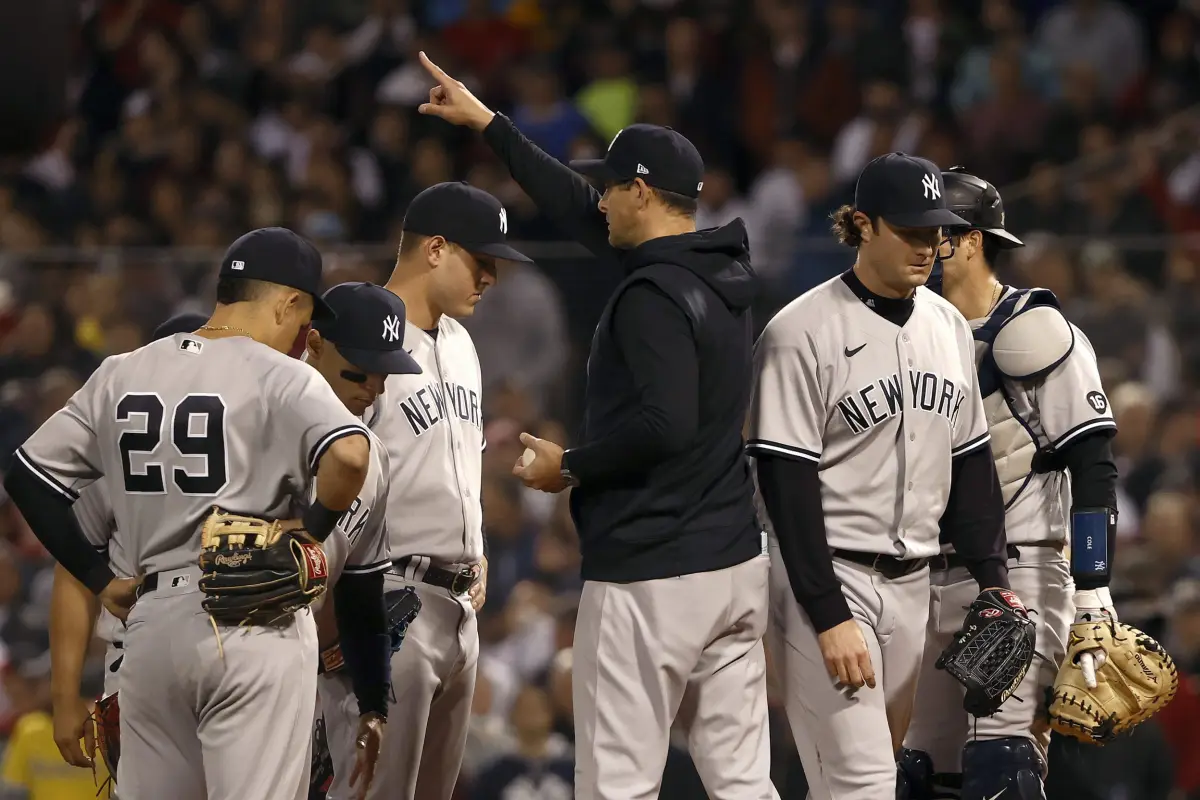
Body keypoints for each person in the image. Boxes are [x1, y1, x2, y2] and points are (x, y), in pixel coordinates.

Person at [416, 53, 777, 800]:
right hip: (732, 561)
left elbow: (662, 422)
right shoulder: (717, 274)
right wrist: (491, 124)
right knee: (742, 781)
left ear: (641, 191)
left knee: (616, 783)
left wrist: (570, 466)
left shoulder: (651, 295)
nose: (599, 201)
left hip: (654, 569)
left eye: (611, 187)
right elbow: (580, 211)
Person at [2, 227, 379, 800]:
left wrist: (100, 579)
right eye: (303, 315)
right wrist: (314, 532)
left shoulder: (121, 372)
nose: (303, 333)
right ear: (287, 302)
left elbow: (26, 475)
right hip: (254, 622)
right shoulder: (282, 375)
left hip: (150, 632)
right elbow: (351, 455)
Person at [747, 152, 1022, 800]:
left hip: (915, 587)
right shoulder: (800, 331)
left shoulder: (949, 326)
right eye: (912, 230)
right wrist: (827, 611)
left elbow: (971, 464)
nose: (930, 246)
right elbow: (786, 487)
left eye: (937, 232)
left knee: (863, 783)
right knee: (862, 787)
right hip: (829, 577)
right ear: (863, 225)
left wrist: (996, 580)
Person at [899, 168, 1119, 800]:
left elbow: (1093, 461)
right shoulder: (911, 331)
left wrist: (1094, 588)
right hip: (926, 575)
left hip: (1019, 573)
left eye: (936, 232)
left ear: (971, 240)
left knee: (1002, 768)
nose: (924, 244)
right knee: (915, 777)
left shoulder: (1034, 330)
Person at [345, 181, 533, 800]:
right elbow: (334, 475)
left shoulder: (462, 343)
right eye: (481, 262)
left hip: (459, 607)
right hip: (389, 597)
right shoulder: (362, 332)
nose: (492, 278)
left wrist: (474, 546)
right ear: (435, 249)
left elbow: (458, 467)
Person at [48, 311, 207, 771]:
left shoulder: (253, 437)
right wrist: (63, 697)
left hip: (231, 651)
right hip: (140, 656)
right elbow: (74, 572)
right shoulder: (117, 449)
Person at [298, 281, 424, 800]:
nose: (372, 386)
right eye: (358, 368)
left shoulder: (372, 454)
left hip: (311, 671)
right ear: (313, 346)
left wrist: (373, 704)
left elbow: (361, 592)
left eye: (383, 372)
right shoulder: (258, 423)